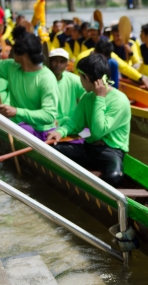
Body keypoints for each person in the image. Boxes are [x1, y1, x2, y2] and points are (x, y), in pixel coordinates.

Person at [47, 54, 131, 187]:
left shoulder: (120, 100)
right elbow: (75, 124)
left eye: (81, 77)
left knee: (114, 177)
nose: (80, 81)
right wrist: (60, 132)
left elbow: (98, 131)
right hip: (90, 148)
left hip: (111, 151)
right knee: (52, 149)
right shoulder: (87, 97)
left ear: (87, 78)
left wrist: (100, 98)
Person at [0, 26, 58, 140]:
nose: (11, 52)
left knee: (24, 129)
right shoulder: (11, 67)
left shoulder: (46, 78)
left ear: (23, 55)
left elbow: (49, 116)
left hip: (41, 132)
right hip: (18, 128)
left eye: (13, 49)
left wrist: (16, 112)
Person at [48, 48, 85, 126]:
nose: (58, 64)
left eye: (62, 61)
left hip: (70, 124)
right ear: (49, 62)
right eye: (55, 60)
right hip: (48, 124)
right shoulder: (42, 80)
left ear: (67, 65)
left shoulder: (75, 80)